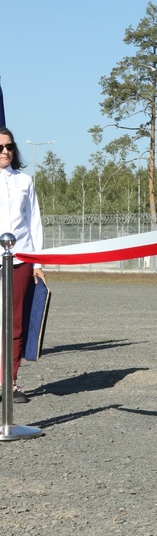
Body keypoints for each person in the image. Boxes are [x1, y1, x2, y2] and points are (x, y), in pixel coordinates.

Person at [0, 127, 45, 404]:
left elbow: (34, 222)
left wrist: (37, 261)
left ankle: (10, 382)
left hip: (20, 259)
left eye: (9, 146)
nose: (5, 151)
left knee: (15, 323)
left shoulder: (24, 181)